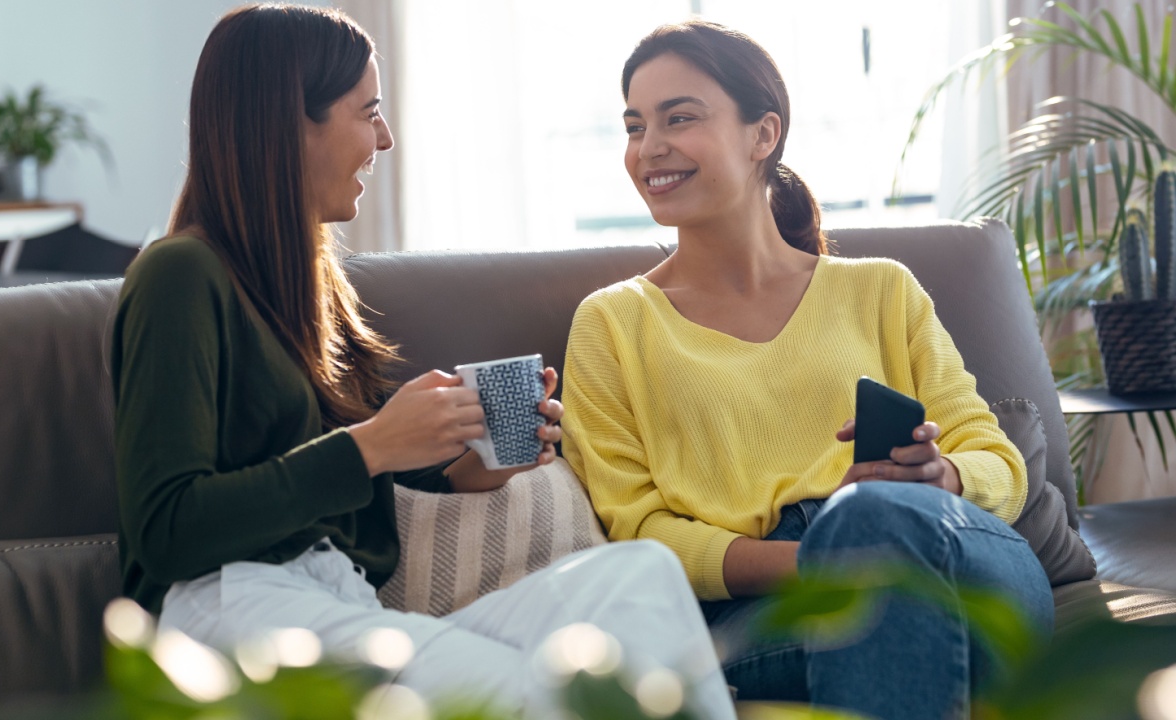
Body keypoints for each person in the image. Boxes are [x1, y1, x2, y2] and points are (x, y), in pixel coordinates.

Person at [110, 5, 735, 718]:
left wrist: (466, 468)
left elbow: (340, 476)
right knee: (542, 690)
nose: (384, 137)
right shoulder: (180, 274)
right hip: (225, 611)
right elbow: (166, 531)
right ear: (288, 123)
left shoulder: (310, 288)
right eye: (366, 111)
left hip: (336, 600)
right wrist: (372, 444)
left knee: (640, 579)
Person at [561, 19, 1054, 720]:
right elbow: (636, 528)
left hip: (953, 549)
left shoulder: (883, 289)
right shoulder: (613, 323)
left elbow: (999, 465)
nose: (650, 148)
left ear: (763, 134)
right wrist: (826, 559)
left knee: (879, 516)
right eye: (636, 126)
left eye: (680, 118)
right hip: (773, 600)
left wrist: (941, 476)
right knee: (878, 567)